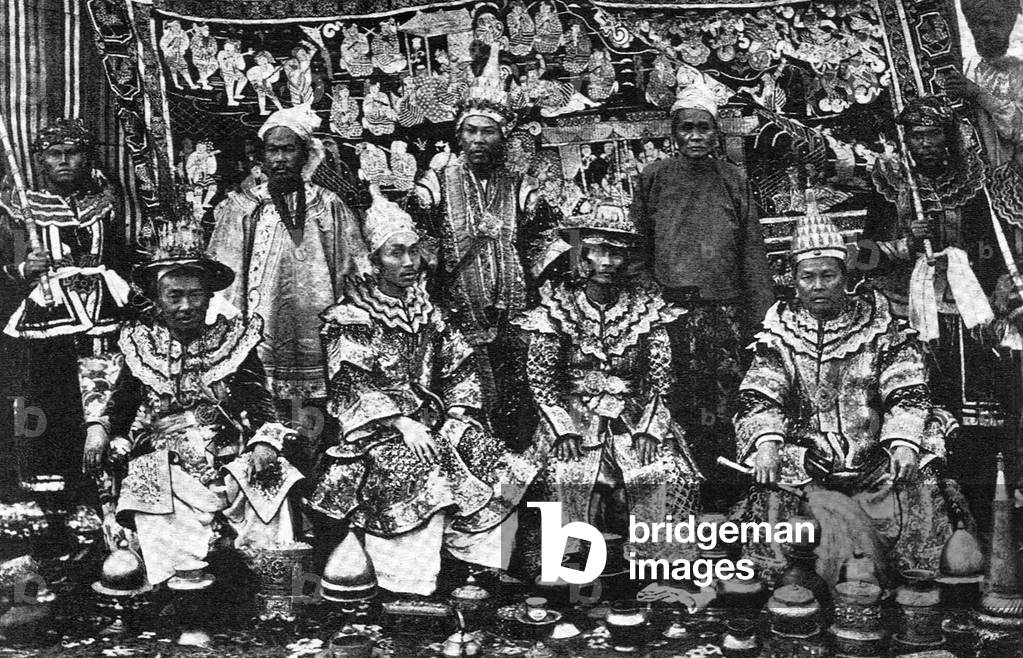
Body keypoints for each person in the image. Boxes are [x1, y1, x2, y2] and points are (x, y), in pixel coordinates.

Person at [730, 194, 973, 584]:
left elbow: (907, 388)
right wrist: (767, 443)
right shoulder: (779, 332)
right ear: (794, 281)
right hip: (808, 459)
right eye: (808, 277)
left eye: (829, 275)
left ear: (846, 276)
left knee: (924, 467)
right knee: (770, 488)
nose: (819, 286)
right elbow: (761, 393)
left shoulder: (879, 325)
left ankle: (913, 573)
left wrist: (904, 443)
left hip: (874, 453)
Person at [309, 188, 539, 595]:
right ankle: (408, 583)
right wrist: (400, 422)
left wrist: (458, 414)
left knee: (489, 452)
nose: (409, 262)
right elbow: (350, 384)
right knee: (413, 466)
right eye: (395, 253)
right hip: (374, 434)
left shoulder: (429, 311)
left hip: (432, 424)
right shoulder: (353, 316)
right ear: (374, 259)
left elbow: (458, 366)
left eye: (414, 251)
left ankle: (480, 567)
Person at [84, 221, 303, 587]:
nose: (186, 306)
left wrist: (265, 441)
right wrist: (97, 428)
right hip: (167, 458)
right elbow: (119, 409)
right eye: (174, 296)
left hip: (228, 453)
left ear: (209, 296)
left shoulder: (235, 342)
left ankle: (274, 590)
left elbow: (261, 405)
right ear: (157, 298)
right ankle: (182, 589)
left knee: (272, 479)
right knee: (150, 484)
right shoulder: (141, 347)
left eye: (195, 295)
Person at [513, 206, 702, 562]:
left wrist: (651, 428)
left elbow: (661, 380)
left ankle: (659, 559)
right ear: (581, 254)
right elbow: (541, 381)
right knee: (566, 473)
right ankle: (568, 562)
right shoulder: (557, 308)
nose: (608, 261)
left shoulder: (646, 310)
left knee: (666, 469)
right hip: (572, 417)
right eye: (598, 250)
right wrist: (562, 430)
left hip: (632, 415)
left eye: (616, 252)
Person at [630, 85, 775, 510]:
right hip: (671, 314)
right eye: (686, 128)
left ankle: (729, 493)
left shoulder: (733, 179)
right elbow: (639, 246)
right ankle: (682, 495)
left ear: (716, 133)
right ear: (673, 134)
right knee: (678, 400)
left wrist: (764, 317)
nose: (696, 136)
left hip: (725, 312)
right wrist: (651, 301)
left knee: (726, 399)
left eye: (704, 128)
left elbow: (751, 248)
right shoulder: (654, 177)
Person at [408, 42, 554, 448]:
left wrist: (533, 273)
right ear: (459, 135)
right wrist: (431, 269)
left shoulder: (519, 185)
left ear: (503, 136)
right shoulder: (437, 182)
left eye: (487, 131)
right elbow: (417, 232)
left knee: (519, 399)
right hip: (457, 312)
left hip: (513, 312)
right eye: (470, 130)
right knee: (468, 402)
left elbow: (544, 234)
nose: (478, 139)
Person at [0, 118, 134, 550]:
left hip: (101, 309)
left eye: (71, 153)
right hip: (46, 313)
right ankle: (50, 504)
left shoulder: (104, 204)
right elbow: (8, 265)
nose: (63, 162)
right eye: (53, 154)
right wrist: (24, 268)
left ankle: (101, 498)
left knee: (99, 400)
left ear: (86, 157)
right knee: (47, 400)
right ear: (39, 160)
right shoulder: (20, 209)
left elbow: (118, 255)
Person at [207, 104, 368, 417]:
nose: (279, 159)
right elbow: (223, 274)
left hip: (318, 329)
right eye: (272, 151)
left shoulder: (329, 205)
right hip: (262, 330)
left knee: (315, 419)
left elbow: (354, 266)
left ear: (305, 154)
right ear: (262, 157)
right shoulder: (243, 206)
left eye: (288, 150)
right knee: (263, 410)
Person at [860, 98, 1009, 425]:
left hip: (963, 306)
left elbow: (988, 247)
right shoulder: (892, 183)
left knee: (966, 400)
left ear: (949, 136)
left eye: (933, 134)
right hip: (905, 310)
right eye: (916, 135)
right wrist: (906, 243)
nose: (924, 144)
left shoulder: (969, 181)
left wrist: (973, 267)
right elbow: (865, 257)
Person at [945, 0, 1023, 167]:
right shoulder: (965, 70)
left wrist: (978, 94)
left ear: (1009, 26)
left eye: (998, 23)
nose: (991, 30)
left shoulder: (1019, 72)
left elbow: (1019, 129)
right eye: (983, 23)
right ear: (972, 26)